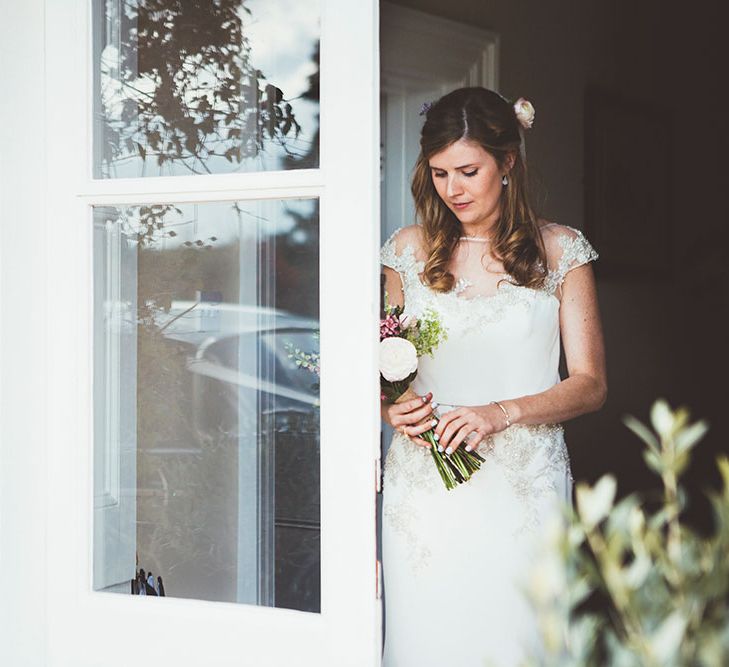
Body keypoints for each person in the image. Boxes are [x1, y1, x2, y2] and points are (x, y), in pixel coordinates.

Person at [379, 87, 607, 666]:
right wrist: (390, 407)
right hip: (426, 493)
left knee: (519, 643)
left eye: (467, 171)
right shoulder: (408, 251)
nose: (452, 189)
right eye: (438, 173)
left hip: (522, 494)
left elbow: (589, 383)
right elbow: (386, 362)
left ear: (507, 163)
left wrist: (497, 413)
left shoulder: (561, 252)